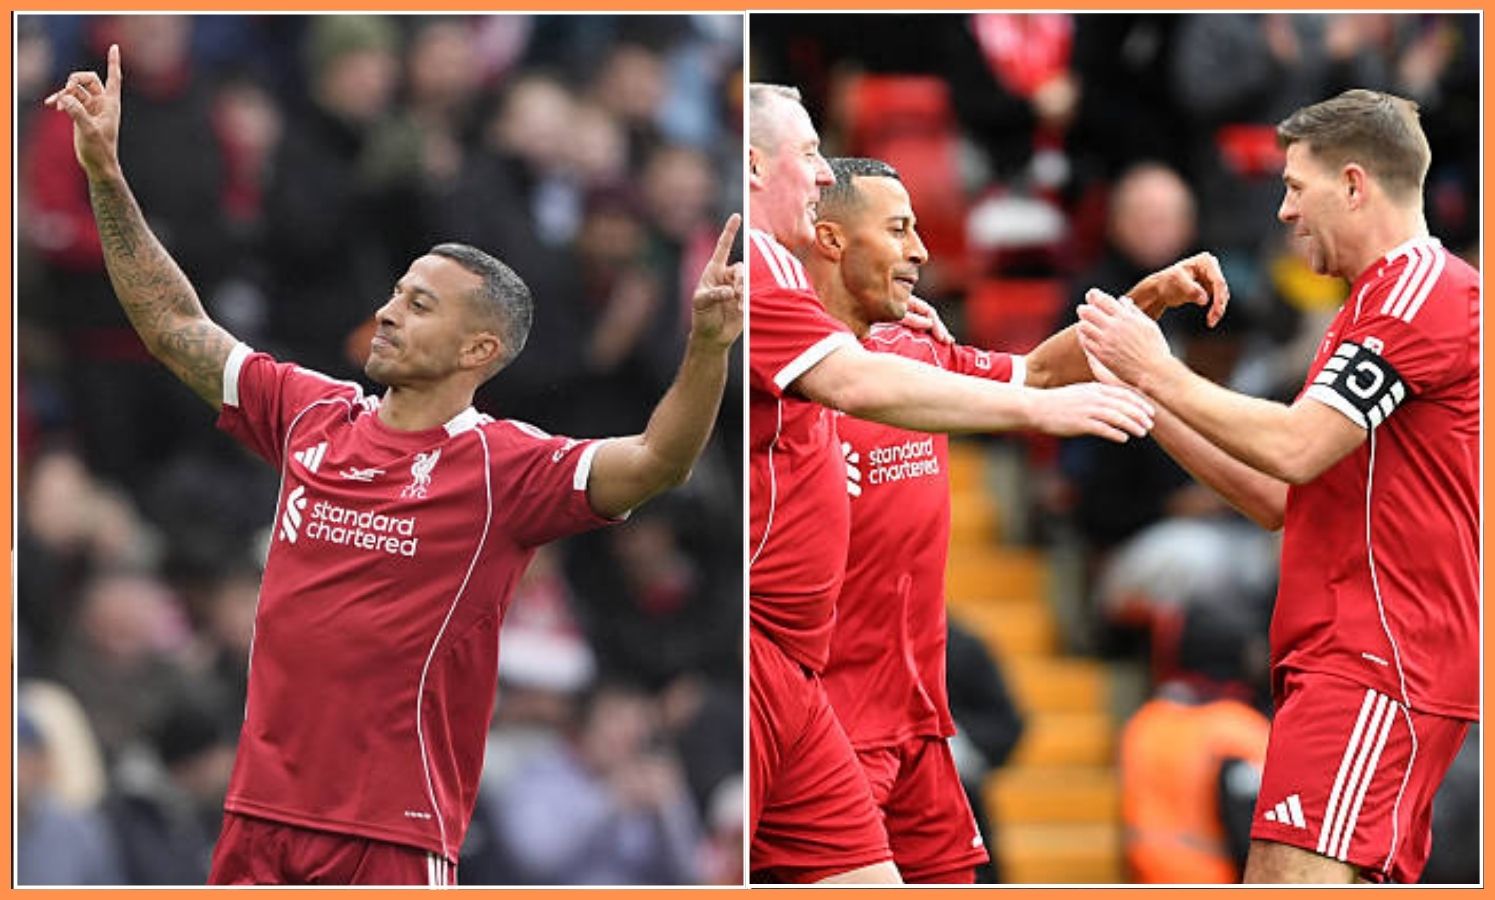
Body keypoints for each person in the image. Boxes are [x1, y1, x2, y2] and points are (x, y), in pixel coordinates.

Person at [46, 45, 742, 886]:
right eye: (396, 292)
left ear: (478, 348)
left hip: (387, 836)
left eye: (419, 304)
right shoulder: (310, 411)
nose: (386, 312)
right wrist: (106, 173)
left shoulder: (503, 468)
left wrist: (706, 347)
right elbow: (174, 326)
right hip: (257, 819)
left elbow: (661, 461)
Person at [746, 82, 1208, 884]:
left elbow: (1032, 370)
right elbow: (885, 388)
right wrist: (1034, 416)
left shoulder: (914, 350)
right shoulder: (797, 370)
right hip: (825, 724)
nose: (923, 251)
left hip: (919, 723)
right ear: (828, 240)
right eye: (897, 229)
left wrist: (1142, 303)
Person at [1077, 89, 1478, 884]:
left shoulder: (1416, 296)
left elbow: (1294, 448)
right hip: (1354, 656)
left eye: (1296, 187)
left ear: (1354, 185)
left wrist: (1159, 366)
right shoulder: (1375, 304)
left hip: (1378, 657)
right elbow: (1276, 497)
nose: (1285, 212)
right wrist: (1142, 397)